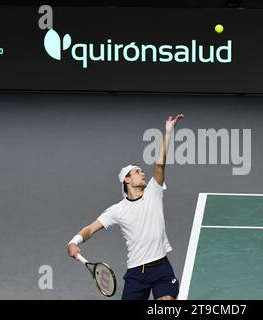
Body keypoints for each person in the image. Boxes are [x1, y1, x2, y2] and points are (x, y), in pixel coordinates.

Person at [67, 113, 184, 300]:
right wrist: (74, 241)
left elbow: (160, 165)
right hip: (137, 273)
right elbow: (90, 229)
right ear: (127, 180)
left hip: (161, 267)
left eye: (142, 171)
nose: (143, 173)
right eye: (137, 172)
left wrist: (168, 132)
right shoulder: (117, 210)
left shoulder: (154, 191)